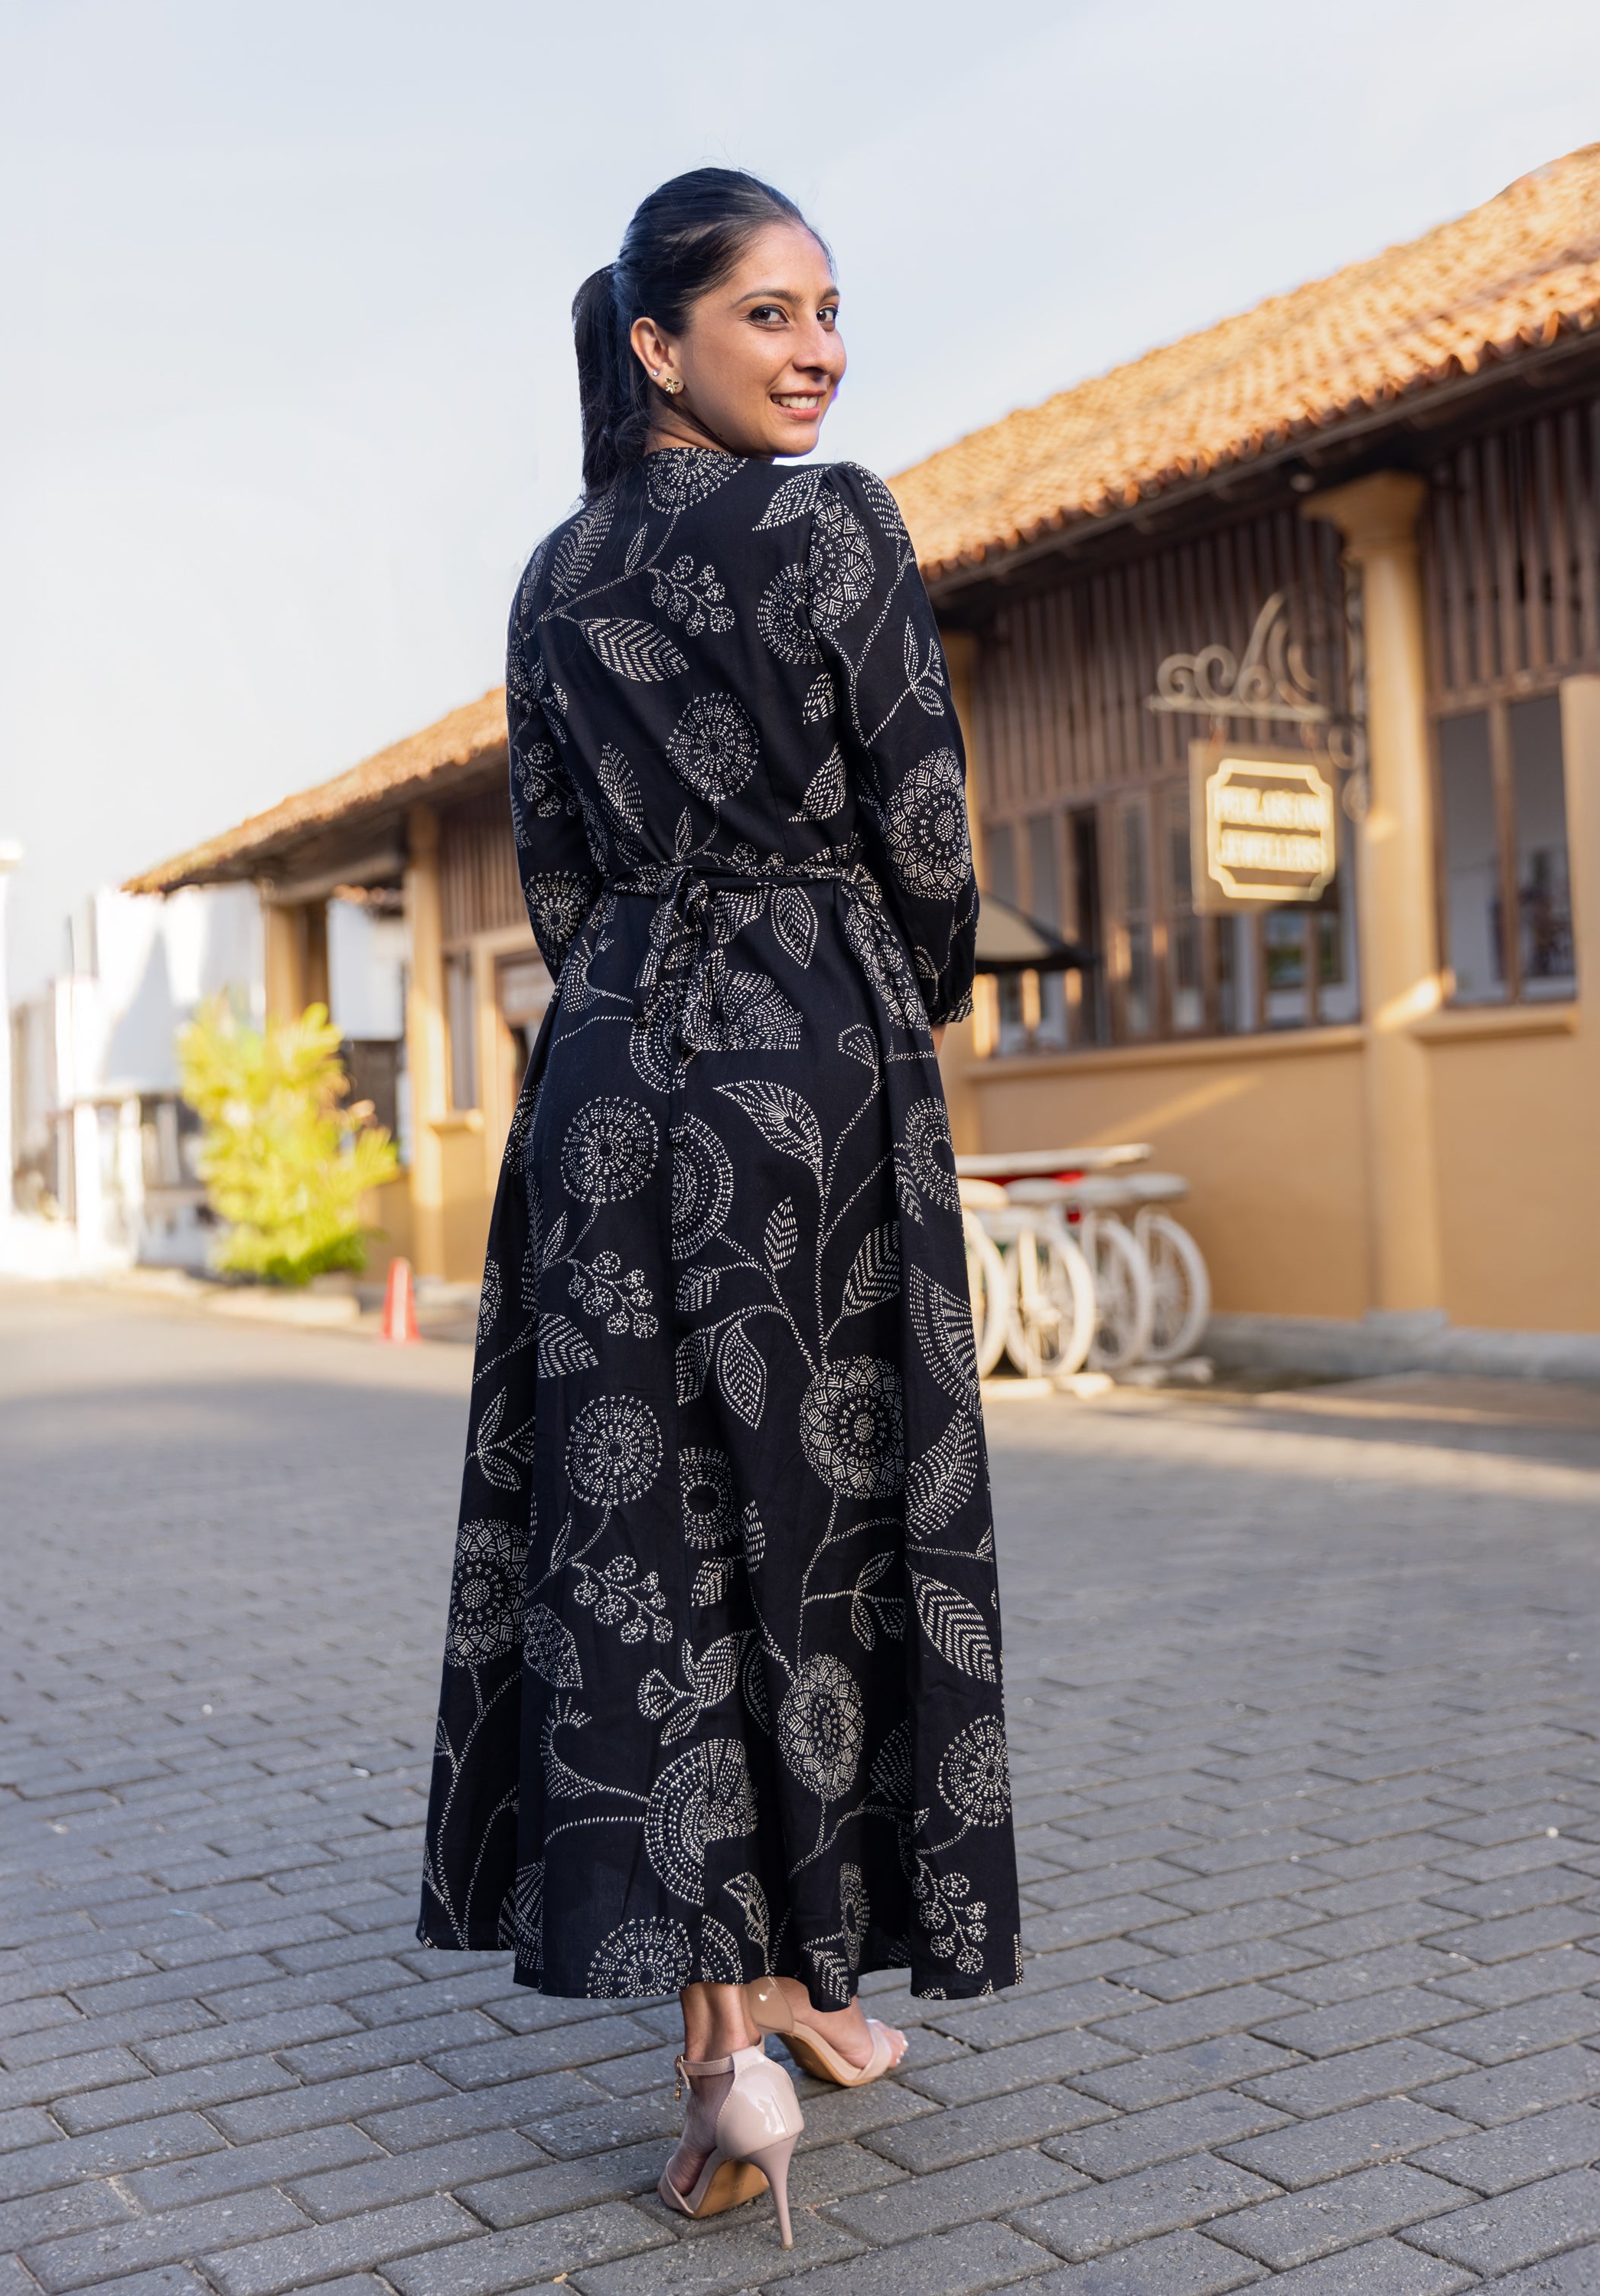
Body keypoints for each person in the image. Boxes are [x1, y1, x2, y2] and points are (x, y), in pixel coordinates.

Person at [417, 166, 1020, 2245]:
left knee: (644, 1538)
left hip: (607, 1067)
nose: (819, 349)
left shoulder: (552, 572)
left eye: (828, 309)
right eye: (772, 313)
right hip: (810, 1062)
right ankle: (802, 1987)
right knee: (818, 1516)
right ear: (658, 343)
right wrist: (889, 989)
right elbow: (925, 826)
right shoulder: (835, 523)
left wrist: (639, 1000)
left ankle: (750, 2041)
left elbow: (556, 866)